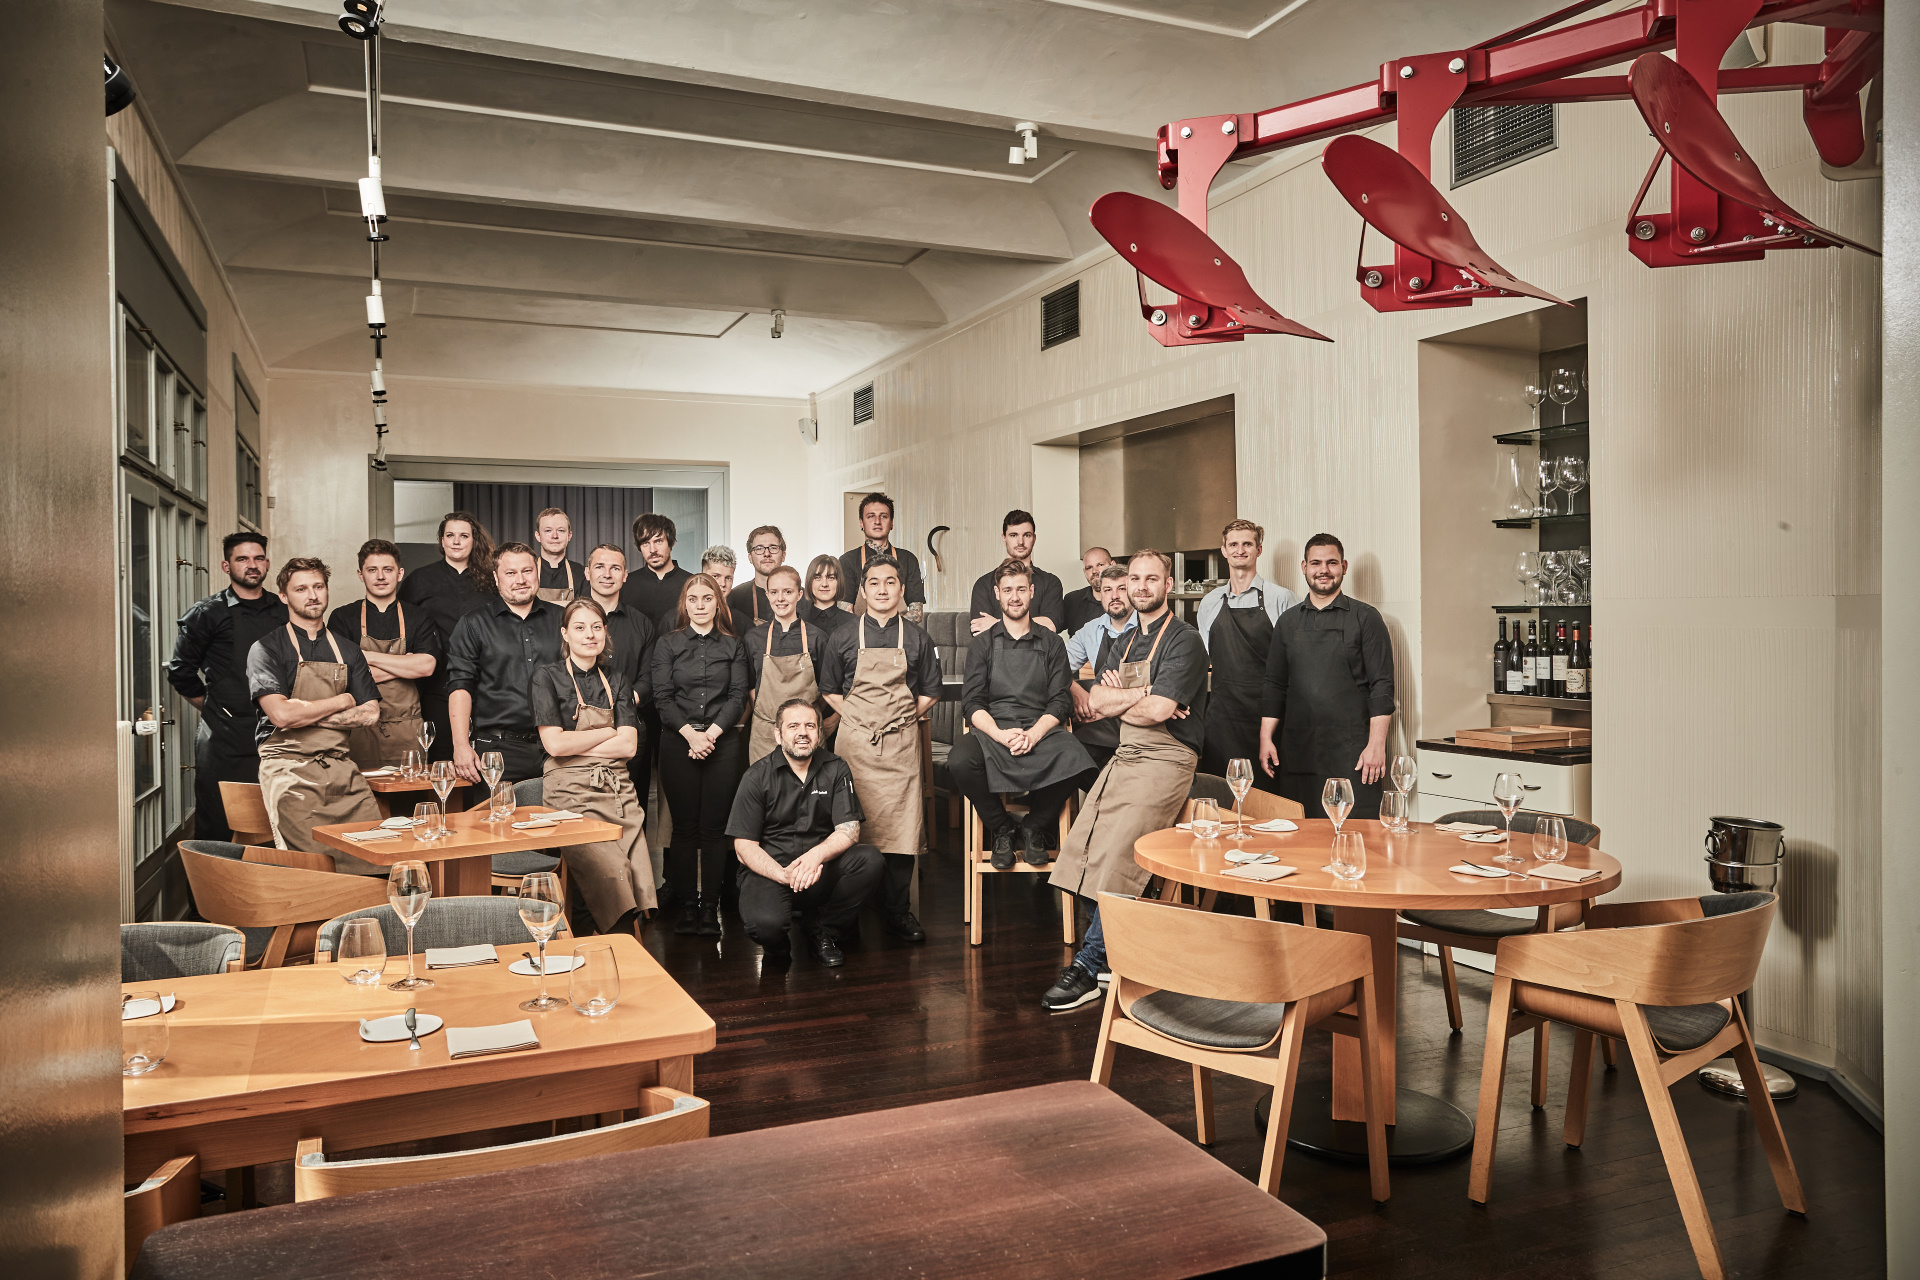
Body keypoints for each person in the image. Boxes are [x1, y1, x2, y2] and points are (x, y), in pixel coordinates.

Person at [1045, 549, 1208, 1011]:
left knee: (1117, 855)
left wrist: (1134, 698)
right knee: (1083, 849)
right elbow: (1097, 700)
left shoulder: (1185, 641)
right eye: (1134, 578)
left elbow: (1159, 712)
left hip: (1167, 758)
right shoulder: (1125, 640)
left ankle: (1089, 963)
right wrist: (1146, 692)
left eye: (1151, 578)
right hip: (1127, 752)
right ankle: (1114, 955)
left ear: (1168, 584)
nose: (1140, 586)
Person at [820, 555, 941, 942]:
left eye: (891, 582)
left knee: (902, 831)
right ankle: (850, 910)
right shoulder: (843, 636)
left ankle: (897, 912)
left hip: (901, 745)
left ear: (902, 589)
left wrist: (901, 719)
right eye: (874, 582)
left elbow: (931, 691)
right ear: (863, 590)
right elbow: (829, 690)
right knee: (850, 825)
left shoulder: (918, 638)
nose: (883, 589)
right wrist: (857, 718)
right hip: (854, 746)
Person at [950, 560, 1098, 871]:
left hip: (1041, 727)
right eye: (1007, 590)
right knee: (960, 761)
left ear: (1032, 592)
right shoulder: (982, 645)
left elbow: (1060, 701)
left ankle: (1034, 826)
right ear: (997, 594)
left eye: (1020, 589)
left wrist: (1033, 734)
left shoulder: (1052, 643)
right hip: (994, 730)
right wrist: (1000, 735)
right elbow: (972, 703)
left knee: (1078, 758)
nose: (1014, 597)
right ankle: (1002, 829)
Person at [247, 558, 383, 869]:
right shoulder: (266, 649)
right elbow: (281, 717)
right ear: (284, 596)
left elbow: (370, 713)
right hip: (289, 772)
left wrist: (305, 714)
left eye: (318, 586)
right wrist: (343, 699)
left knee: (376, 859)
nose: (312, 595)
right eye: (301, 589)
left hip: (343, 771)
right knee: (312, 870)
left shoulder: (348, 650)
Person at [727, 699, 883, 967]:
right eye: (793, 726)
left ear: (819, 733)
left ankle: (823, 931)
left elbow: (849, 830)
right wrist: (783, 875)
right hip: (772, 871)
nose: (803, 732)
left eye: (810, 726)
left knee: (870, 860)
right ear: (778, 734)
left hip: (820, 869)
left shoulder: (836, 767)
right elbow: (744, 846)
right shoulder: (756, 777)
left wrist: (815, 857)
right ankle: (779, 943)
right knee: (765, 927)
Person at [532, 599, 652, 937]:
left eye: (597, 627)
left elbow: (628, 747)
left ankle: (613, 952)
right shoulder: (546, 677)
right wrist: (608, 732)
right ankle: (616, 948)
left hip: (618, 793)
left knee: (633, 870)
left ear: (605, 632)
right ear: (565, 634)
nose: (590, 635)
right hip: (569, 794)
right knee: (610, 870)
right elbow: (554, 746)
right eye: (580, 627)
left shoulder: (618, 679)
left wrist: (577, 743)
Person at [1259, 533, 1395, 821]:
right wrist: (1265, 737)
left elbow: (1382, 686)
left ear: (1343, 567)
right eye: (1316, 563)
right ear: (1304, 567)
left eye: (1332, 563)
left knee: (1357, 836)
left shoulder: (1366, 618)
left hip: (1354, 754)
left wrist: (1376, 745)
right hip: (1299, 751)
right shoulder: (1287, 622)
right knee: (1300, 836)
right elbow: (1274, 685)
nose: (1324, 570)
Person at [168, 532, 288, 842]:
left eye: (258, 558)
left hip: (278, 737)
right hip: (224, 740)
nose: (252, 565)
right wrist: (215, 707)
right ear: (226, 566)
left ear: (267, 563)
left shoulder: (283, 610)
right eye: (242, 559)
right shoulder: (206, 613)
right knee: (216, 827)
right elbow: (181, 672)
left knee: (275, 826)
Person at [650, 573, 748, 936]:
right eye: (693, 599)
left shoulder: (733, 645)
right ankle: (688, 909)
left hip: (723, 744)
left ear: (718, 603)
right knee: (684, 829)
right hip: (679, 742)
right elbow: (662, 698)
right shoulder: (668, 644)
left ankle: (710, 910)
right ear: (684, 604)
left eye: (708, 598)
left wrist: (711, 735)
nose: (701, 605)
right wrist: (692, 736)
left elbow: (737, 697)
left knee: (714, 830)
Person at [445, 542, 564, 786]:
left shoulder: (563, 619)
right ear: (496, 577)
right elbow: (460, 686)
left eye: (527, 571)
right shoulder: (473, 623)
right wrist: (461, 745)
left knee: (558, 812)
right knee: (495, 812)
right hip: (497, 752)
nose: (520, 580)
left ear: (537, 571)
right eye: (510, 573)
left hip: (557, 748)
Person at [1196, 519, 1299, 786]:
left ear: (1259, 550)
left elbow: (1294, 663)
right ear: (1224, 550)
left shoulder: (1281, 598)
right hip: (1222, 719)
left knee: (1269, 799)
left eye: (1247, 544)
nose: (1239, 550)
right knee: (1221, 795)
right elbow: (1208, 657)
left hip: (1268, 717)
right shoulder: (1209, 602)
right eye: (1233, 544)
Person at [583, 541, 660, 897]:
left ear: (626, 575)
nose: (607, 574)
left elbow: (649, 678)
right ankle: (589, 899)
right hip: (579, 734)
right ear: (587, 573)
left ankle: (631, 897)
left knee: (631, 813)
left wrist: (621, 709)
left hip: (629, 731)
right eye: (600, 567)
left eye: (615, 568)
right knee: (585, 818)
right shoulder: (570, 620)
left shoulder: (641, 623)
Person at [327, 539, 442, 771]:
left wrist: (364, 657)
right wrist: (405, 666)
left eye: (387, 569)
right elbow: (341, 676)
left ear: (399, 574)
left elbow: (426, 667)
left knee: (409, 791)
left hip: (408, 730)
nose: (380, 577)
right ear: (360, 575)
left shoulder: (418, 617)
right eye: (372, 570)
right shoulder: (342, 617)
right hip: (359, 728)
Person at [398, 511, 496, 761]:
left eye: (464, 536)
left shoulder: (492, 580)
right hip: (436, 683)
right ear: (441, 541)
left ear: (474, 540)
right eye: (450, 535)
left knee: (485, 756)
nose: (456, 541)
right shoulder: (419, 579)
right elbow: (403, 624)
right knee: (442, 756)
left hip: (487, 682)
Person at [744, 565, 831, 761]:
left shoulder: (817, 638)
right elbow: (750, 686)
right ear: (767, 595)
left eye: (788, 592)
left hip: (806, 735)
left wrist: (807, 718)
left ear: (799, 595)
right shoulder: (754, 638)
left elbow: (827, 689)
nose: (780, 598)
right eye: (774, 592)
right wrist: (766, 713)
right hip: (765, 733)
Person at [1062, 563, 1136, 774]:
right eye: (1107, 590)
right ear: (1100, 595)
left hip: (1139, 719)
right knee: (1066, 753)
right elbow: (1056, 665)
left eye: (1121, 589)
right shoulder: (1091, 629)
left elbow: (1153, 688)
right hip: (1102, 720)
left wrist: (1101, 709)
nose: (1114, 596)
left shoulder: (1148, 627)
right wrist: (1075, 690)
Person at [968, 510, 1065, 634]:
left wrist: (996, 624)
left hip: (1038, 649)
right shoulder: (984, 584)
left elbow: (1051, 626)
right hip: (997, 649)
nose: (1020, 542)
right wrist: (1031, 626)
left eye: (1027, 535)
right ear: (1004, 538)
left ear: (1034, 539)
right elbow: (980, 631)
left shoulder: (1050, 582)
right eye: (1013, 535)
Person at [838, 492, 926, 614]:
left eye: (883, 516)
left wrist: (895, 626)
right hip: (860, 626)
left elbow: (917, 612)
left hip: (900, 626)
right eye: (871, 516)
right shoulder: (847, 561)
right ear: (861, 523)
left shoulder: (908, 559)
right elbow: (844, 612)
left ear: (892, 523)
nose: (877, 521)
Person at [619, 512, 693, 628]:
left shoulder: (691, 583)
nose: (652, 550)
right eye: (645, 543)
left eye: (658, 541)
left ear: (671, 542)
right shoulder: (625, 584)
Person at [727, 525, 785, 629]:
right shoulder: (735, 597)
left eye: (773, 548)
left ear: (783, 555)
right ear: (750, 557)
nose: (767, 554)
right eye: (759, 548)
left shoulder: (803, 598)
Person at [532, 507, 586, 604]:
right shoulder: (527, 572)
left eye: (560, 530)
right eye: (548, 531)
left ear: (569, 536)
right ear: (538, 536)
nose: (555, 536)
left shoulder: (581, 573)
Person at [1060, 547, 1113, 634]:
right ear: (1084, 571)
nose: (1095, 571)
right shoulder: (1072, 600)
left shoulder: (1125, 600)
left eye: (1100, 565)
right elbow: (1050, 628)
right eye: (1089, 567)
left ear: (1112, 565)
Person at [802, 554, 854, 638]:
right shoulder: (798, 620)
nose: (824, 584)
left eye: (831, 578)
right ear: (810, 581)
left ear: (839, 582)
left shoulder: (853, 622)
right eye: (818, 577)